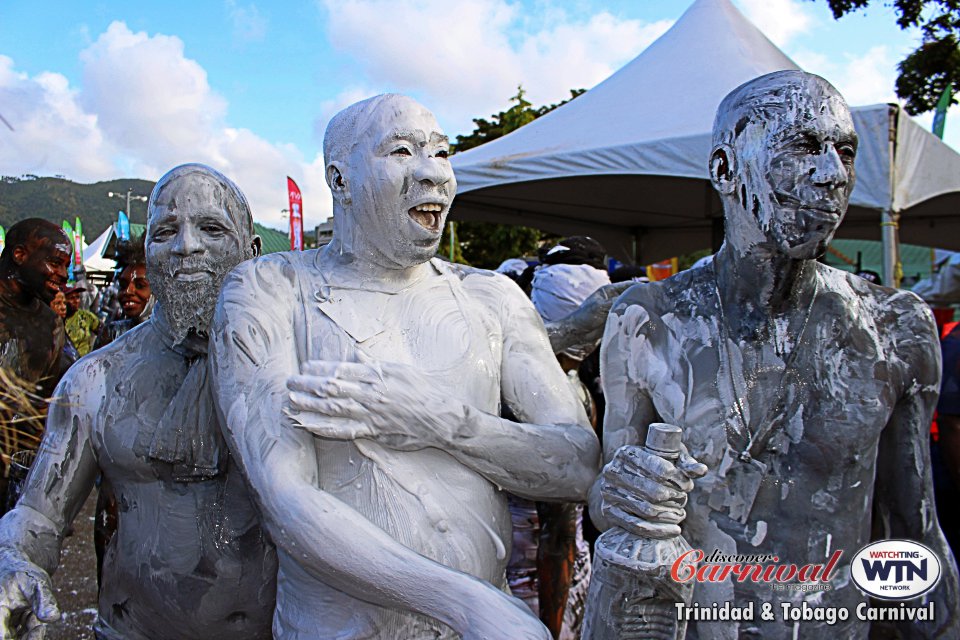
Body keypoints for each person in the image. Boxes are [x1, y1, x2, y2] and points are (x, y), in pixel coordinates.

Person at [209, 94, 600, 639]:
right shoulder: (271, 289)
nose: (433, 173)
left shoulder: (493, 298)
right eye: (401, 151)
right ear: (340, 180)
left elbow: (577, 462)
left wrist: (439, 420)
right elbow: (286, 498)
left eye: (441, 153)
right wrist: (466, 605)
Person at [590, 70, 959, 639]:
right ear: (724, 169)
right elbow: (607, 501)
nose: (833, 174)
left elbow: (913, 531)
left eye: (845, 151)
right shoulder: (648, 319)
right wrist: (623, 494)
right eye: (803, 147)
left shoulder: (894, 328)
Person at [0, 164, 276, 640]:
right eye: (165, 231)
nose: (185, 246)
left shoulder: (294, 373)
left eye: (211, 228)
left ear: (250, 251)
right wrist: (15, 561)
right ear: (149, 251)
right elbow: (38, 513)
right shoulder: (95, 380)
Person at [97, 235, 153, 348]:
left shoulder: (178, 339)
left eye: (140, 285)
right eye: (122, 285)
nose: (127, 291)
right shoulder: (112, 334)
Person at [63, 285, 99, 357]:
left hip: (84, 362)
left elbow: (103, 333)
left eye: (77, 297)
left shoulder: (86, 316)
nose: (76, 301)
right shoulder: (58, 318)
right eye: (71, 298)